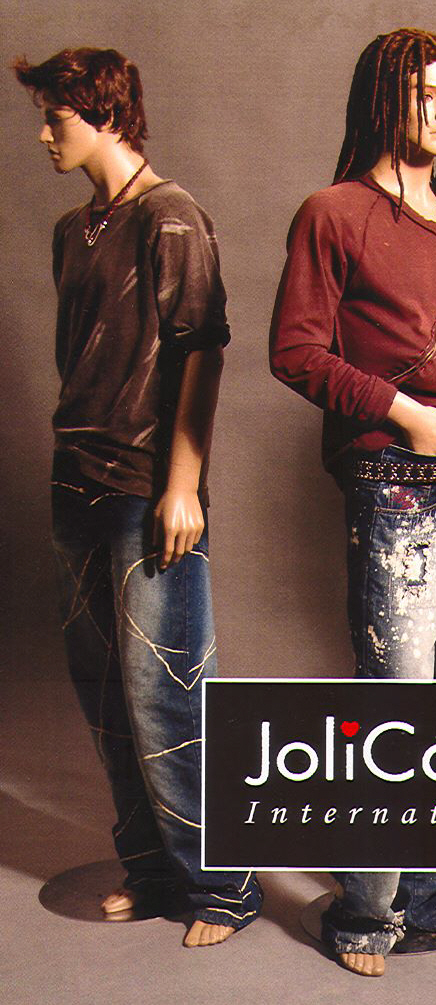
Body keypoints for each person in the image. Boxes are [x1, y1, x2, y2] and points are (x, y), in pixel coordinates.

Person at [270, 27, 436, 975]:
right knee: (397, 706)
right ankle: (365, 911)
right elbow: (295, 349)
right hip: (399, 491)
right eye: (428, 95)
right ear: (386, 101)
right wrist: (403, 412)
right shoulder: (333, 213)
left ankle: (435, 888)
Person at [14, 47, 262, 946]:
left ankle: (225, 887)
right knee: (103, 693)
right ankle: (153, 870)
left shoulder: (173, 217)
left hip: (146, 488)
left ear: (106, 114)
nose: (45, 135)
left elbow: (202, 352)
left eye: (57, 118)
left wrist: (182, 486)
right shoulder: (71, 230)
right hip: (72, 480)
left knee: (168, 691)